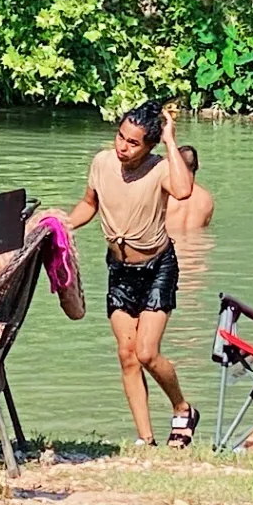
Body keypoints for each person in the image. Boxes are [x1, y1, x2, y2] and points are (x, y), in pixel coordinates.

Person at [64, 102, 199, 448]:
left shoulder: (160, 168)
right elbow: (89, 204)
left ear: (150, 146)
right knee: (126, 355)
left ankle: (183, 408)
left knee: (146, 352)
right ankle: (146, 440)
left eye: (133, 143)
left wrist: (170, 140)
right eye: (120, 137)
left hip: (158, 268)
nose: (122, 147)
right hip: (119, 269)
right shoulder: (102, 162)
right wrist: (63, 224)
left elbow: (184, 191)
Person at [167, 145, 215, 229]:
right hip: (199, 241)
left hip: (170, 241)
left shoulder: (168, 194)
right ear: (198, 166)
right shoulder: (207, 198)